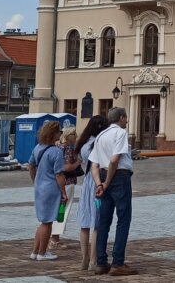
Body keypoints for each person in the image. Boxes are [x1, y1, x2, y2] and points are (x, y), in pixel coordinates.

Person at [90, 107, 137, 276]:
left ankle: (101, 262)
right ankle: (118, 262)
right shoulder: (120, 134)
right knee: (123, 219)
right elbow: (115, 160)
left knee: (104, 221)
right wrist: (108, 182)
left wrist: (99, 184)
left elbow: (94, 164)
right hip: (118, 178)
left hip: (102, 176)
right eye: (126, 118)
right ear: (122, 118)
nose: (127, 121)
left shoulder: (101, 135)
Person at [28, 121, 68, 261]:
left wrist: (35, 181)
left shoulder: (38, 148)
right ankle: (42, 253)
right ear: (54, 134)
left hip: (40, 187)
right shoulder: (56, 151)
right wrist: (63, 191)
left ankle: (35, 251)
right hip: (51, 188)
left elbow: (31, 166)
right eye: (59, 131)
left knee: (43, 220)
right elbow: (59, 174)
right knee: (48, 222)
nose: (61, 134)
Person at [74, 115, 108, 271]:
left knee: (85, 221)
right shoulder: (99, 143)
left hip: (86, 183)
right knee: (96, 222)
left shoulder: (82, 144)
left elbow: (81, 162)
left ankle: (84, 258)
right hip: (97, 183)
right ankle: (94, 259)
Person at [51, 125, 79, 247]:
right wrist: (78, 163)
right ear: (69, 137)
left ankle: (53, 236)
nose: (76, 137)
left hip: (57, 182)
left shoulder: (57, 146)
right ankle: (55, 238)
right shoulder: (67, 149)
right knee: (63, 210)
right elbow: (66, 167)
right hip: (67, 182)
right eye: (74, 135)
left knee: (56, 209)